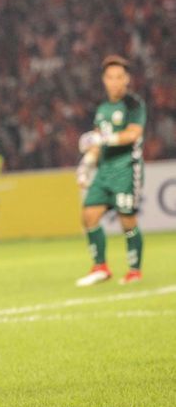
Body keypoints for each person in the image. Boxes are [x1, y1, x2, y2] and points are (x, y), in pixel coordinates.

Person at [75, 55, 146, 287]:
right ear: (104, 80)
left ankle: (134, 270)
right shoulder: (102, 108)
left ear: (127, 80)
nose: (115, 82)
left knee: (127, 221)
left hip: (126, 169)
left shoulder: (134, 105)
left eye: (119, 77)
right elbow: (96, 144)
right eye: (110, 77)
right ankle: (100, 267)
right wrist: (86, 166)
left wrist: (105, 137)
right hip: (104, 171)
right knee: (89, 215)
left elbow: (133, 134)